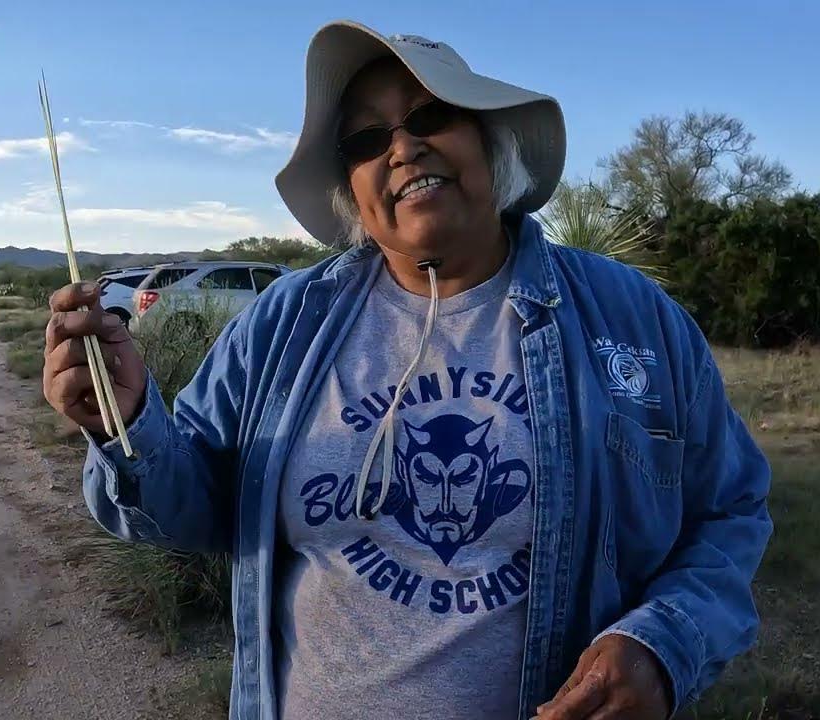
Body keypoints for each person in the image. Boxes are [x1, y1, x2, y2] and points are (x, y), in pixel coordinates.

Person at [43, 21, 771, 720]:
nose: (403, 146)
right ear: (353, 193)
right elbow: (193, 510)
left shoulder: (632, 319)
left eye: (432, 114)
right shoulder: (284, 324)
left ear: (492, 143)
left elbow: (731, 511)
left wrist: (663, 643)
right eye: (366, 138)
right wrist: (130, 423)